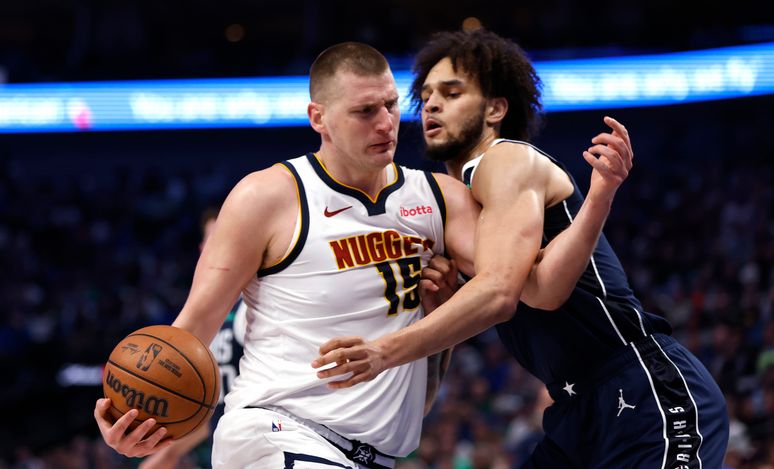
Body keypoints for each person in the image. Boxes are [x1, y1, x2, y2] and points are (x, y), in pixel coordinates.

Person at [93, 41, 627, 468]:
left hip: (376, 454)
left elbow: (519, 289)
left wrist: (595, 199)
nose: (386, 123)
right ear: (318, 117)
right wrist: (139, 419)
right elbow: (192, 329)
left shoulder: (440, 199)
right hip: (279, 432)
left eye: (392, 106)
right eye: (365, 111)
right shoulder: (267, 196)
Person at [313, 30, 729, 468]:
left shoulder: (503, 159)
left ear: (495, 109)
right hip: (576, 407)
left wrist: (383, 351)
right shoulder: (455, 201)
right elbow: (528, 290)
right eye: (427, 95)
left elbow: (535, 293)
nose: (432, 104)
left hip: (643, 386)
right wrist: (442, 304)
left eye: (452, 93)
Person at [138, 208, 246, 469]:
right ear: (201, 250)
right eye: (212, 240)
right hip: (229, 451)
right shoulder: (203, 317)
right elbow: (216, 409)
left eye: (226, 237)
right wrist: (168, 453)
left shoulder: (262, 305)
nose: (219, 247)